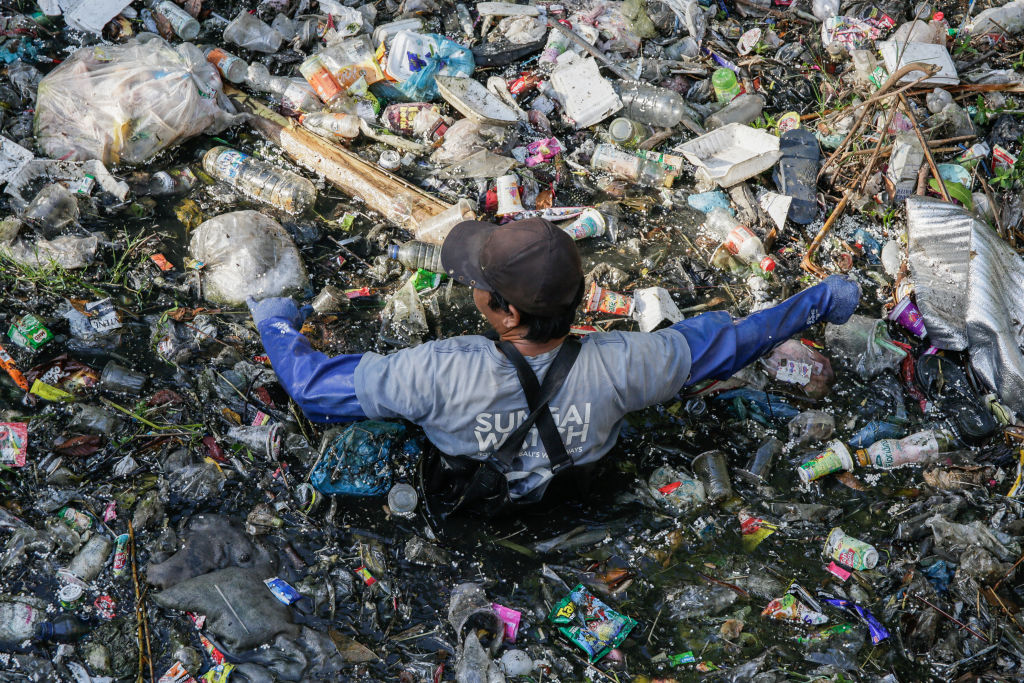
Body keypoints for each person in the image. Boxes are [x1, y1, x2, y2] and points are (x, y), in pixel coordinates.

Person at [249, 218, 860, 519]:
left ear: (505, 312)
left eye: (478, 287)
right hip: (573, 495)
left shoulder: (435, 370)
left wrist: (275, 315)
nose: (471, 292)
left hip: (466, 496)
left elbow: (311, 391)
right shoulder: (630, 362)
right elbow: (732, 343)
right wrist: (817, 301)